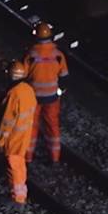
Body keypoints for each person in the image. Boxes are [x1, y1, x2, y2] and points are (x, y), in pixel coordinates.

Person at [0, 60, 37, 205]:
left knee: (13, 166)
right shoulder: (28, 89)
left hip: (13, 138)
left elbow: (7, 120)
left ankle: (17, 198)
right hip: (24, 136)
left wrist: (0, 140)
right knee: (20, 165)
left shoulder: (14, 93)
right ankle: (22, 194)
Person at [23, 21, 69, 165]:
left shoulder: (30, 54)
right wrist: (60, 92)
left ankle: (28, 157)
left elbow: (22, 75)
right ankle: (55, 158)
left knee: (31, 127)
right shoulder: (58, 55)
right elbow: (64, 77)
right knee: (53, 127)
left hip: (34, 97)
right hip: (52, 98)